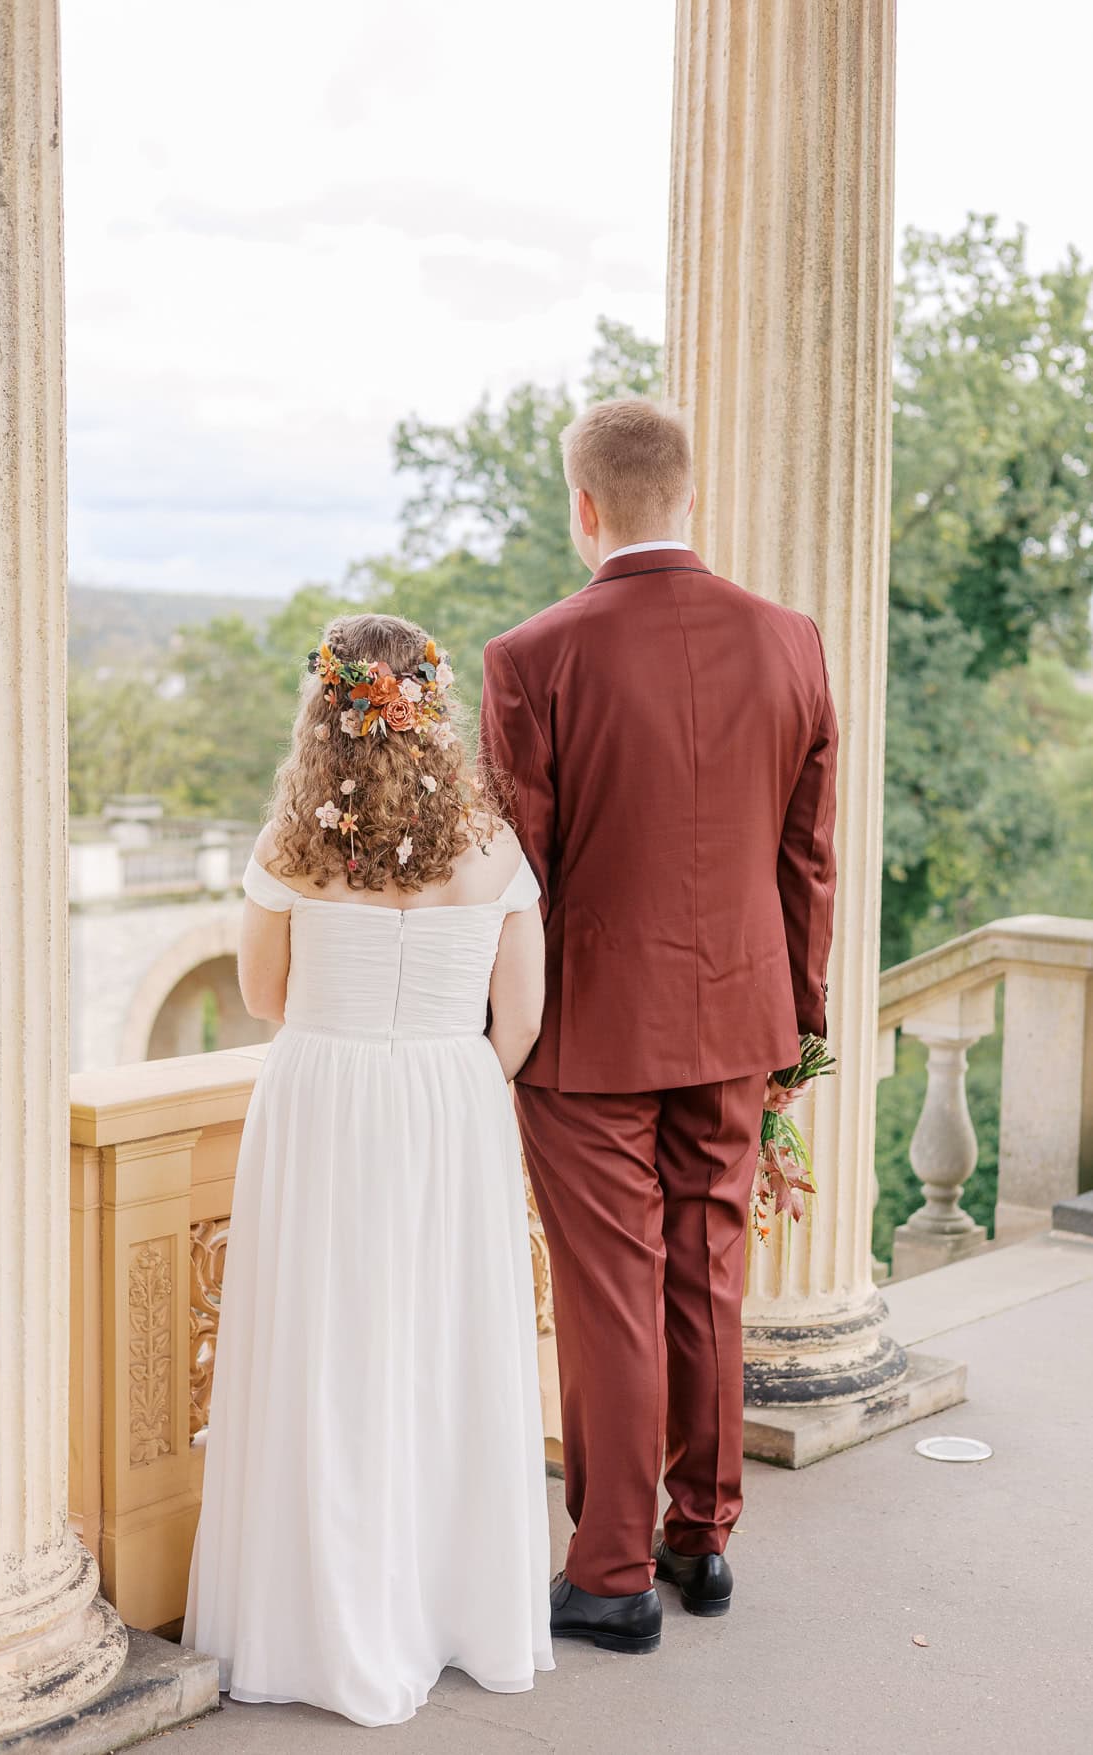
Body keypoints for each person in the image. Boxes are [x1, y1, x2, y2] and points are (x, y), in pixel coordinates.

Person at [480, 398, 837, 1654]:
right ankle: (705, 1537)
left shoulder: (532, 656)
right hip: (741, 1015)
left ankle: (615, 1572)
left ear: (585, 505)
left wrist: (484, 1039)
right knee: (708, 1273)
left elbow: (516, 875)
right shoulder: (790, 640)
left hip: (587, 1034)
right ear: (690, 492)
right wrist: (803, 1027)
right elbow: (808, 859)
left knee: (611, 1296)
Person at [183, 613, 554, 1725]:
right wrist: (447, 1078)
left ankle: (326, 1616)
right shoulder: (492, 843)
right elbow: (523, 1019)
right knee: (442, 1350)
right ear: (429, 705)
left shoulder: (291, 843)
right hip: (451, 1099)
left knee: (324, 1348)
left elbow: (262, 995)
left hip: (324, 1097)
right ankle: (448, 1612)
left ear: (325, 710)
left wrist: (357, 1037)